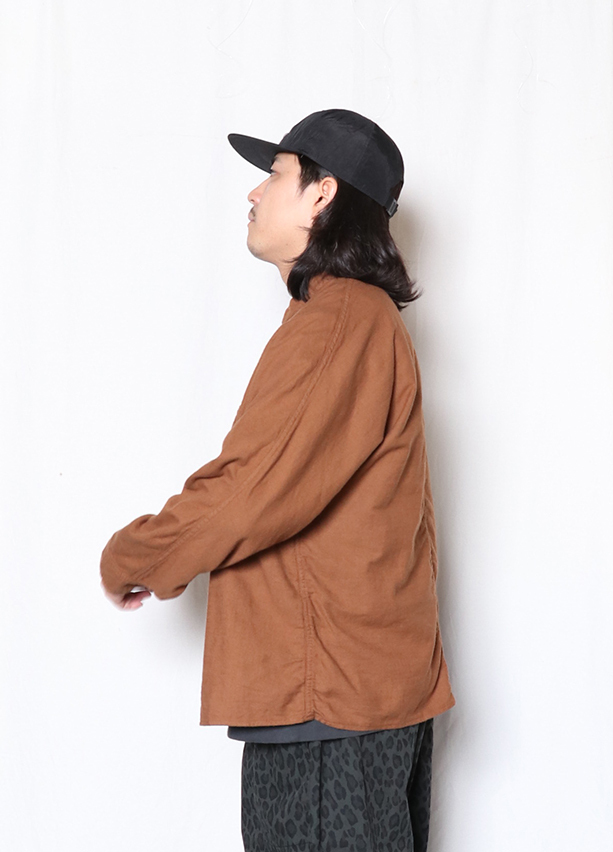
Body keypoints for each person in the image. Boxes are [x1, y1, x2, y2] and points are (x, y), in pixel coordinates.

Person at [100, 108, 455, 851]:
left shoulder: (339, 320)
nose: (255, 193)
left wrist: (135, 556)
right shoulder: (354, 318)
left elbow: (249, 490)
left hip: (327, 696)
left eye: (275, 174)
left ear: (322, 194)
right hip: (351, 688)